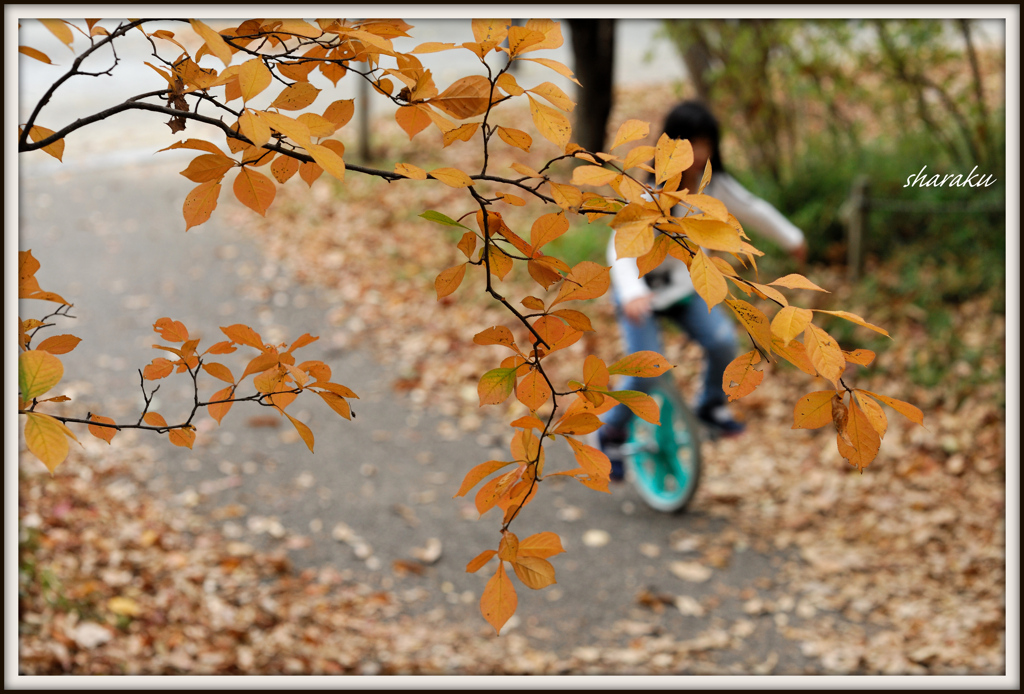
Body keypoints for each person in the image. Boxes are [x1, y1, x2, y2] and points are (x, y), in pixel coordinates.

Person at [599, 100, 807, 480]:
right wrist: (630, 292)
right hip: (640, 295)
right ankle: (612, 428)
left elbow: (753, 208)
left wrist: (792, 238)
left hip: (686, 289)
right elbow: (620, 247)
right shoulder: (650, 194)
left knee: (723, 341)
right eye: (690, 145)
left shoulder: (715, 187)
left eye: (705, 144)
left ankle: (711, 405)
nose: (699, 155)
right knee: (647, 366)